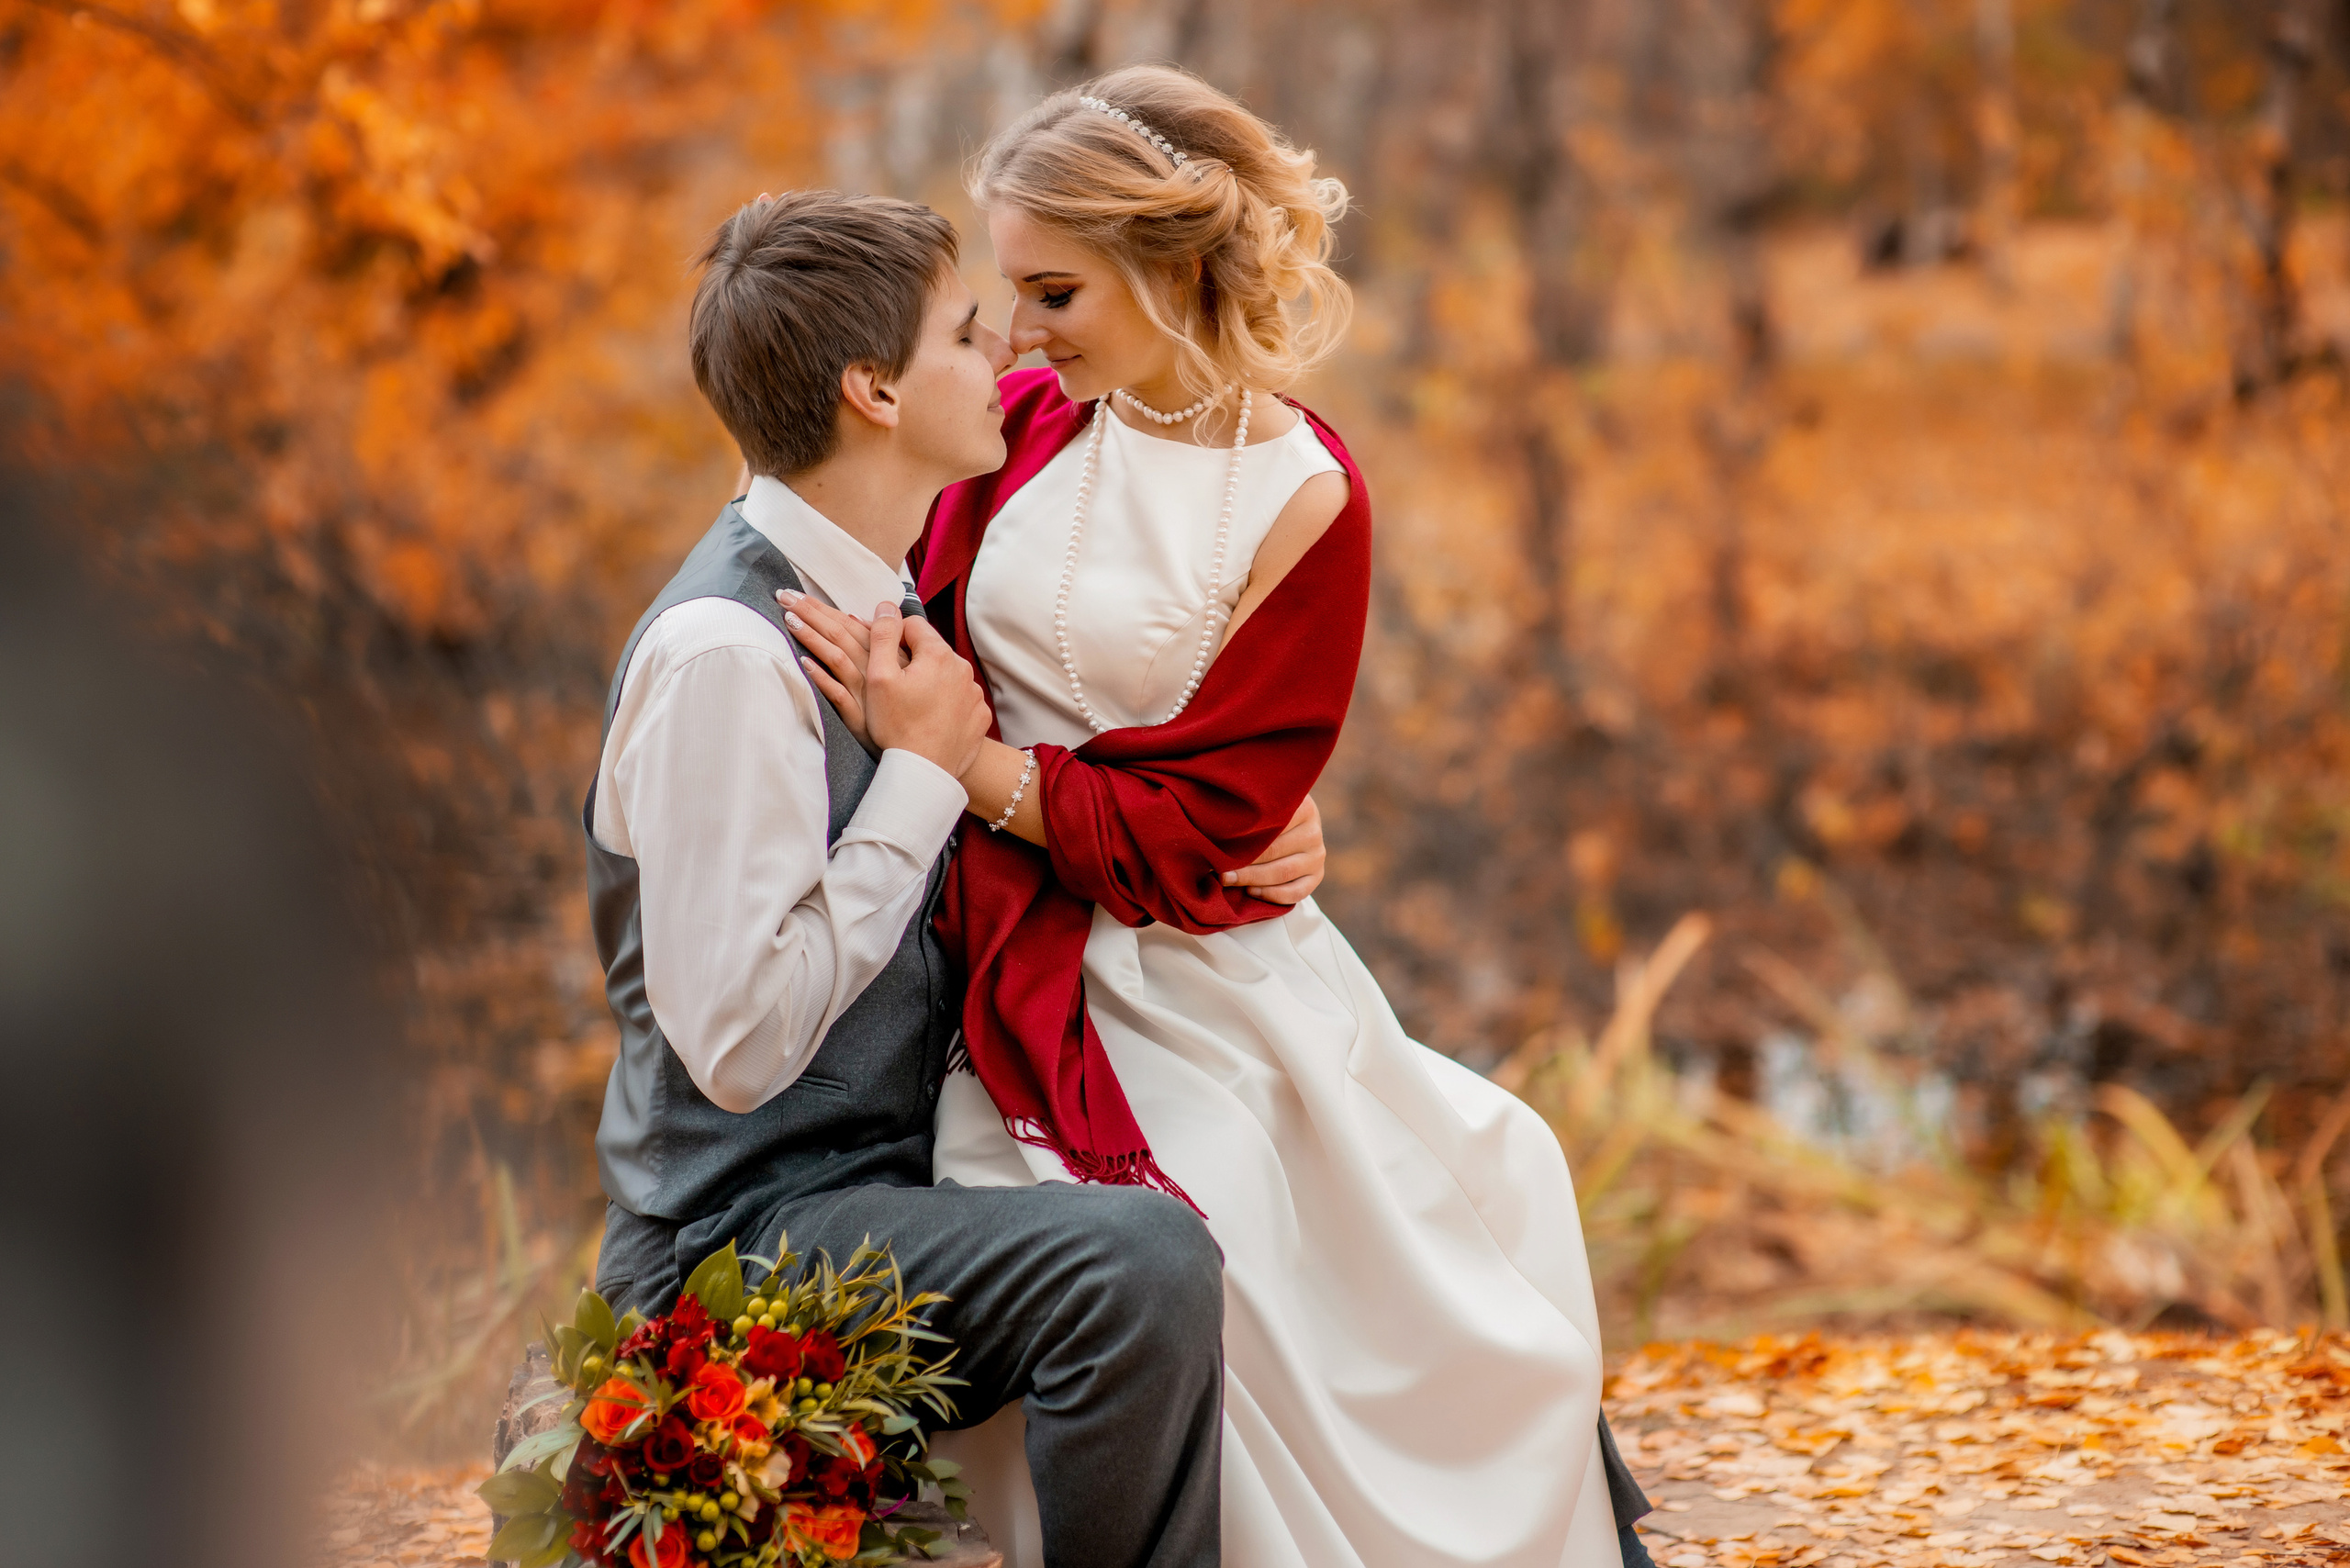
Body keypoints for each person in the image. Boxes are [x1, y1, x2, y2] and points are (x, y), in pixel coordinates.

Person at [782, 67, 1653, 1568]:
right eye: (1011, 293)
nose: (1023, 332)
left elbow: (1204, 826)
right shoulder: (1036, 423)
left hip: (1185, 958)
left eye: (1055, 290)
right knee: (1126, 1228)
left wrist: (988, 771)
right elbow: (898, 598)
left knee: (1416, 1175)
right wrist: (955, 749)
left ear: (1165, 263)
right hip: (1001, 936)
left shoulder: (1306, 499)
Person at [579, 189, 1309, 1568]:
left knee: (1301, 1152)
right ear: (873, 390)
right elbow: (737, 1051)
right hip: (742, 1248)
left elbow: (1075, 754)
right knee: (1138, 1268)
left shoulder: (893, 597)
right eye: (969, 335)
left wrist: (1254, 827)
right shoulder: (727, 660)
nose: (1013, 361)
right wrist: (919, 777)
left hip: (898, 1183)